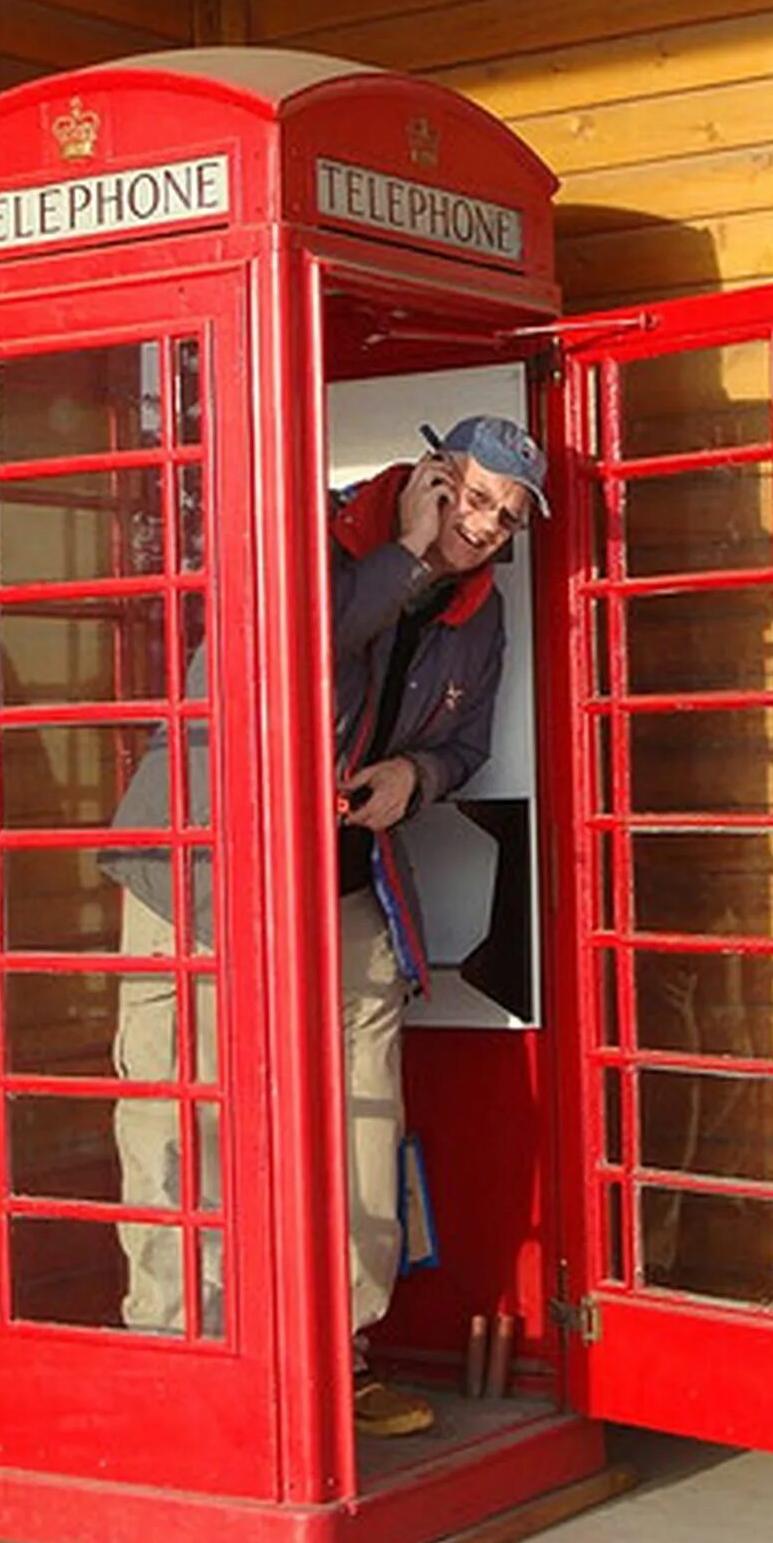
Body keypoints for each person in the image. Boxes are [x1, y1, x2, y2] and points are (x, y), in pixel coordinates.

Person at [104, 414, 546, 1440]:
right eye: (474, 498)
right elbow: (286, 647)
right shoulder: (309, 530)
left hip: (345, 878)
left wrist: (417, 774)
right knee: (184, 1115)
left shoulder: (481, 611)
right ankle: (181, 1350)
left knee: (361, 1112)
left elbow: (467, 740)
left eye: (505, 518)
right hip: (203, 871)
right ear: (431, 473)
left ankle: (338, 1353)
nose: (483, 529)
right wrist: (401, 555)